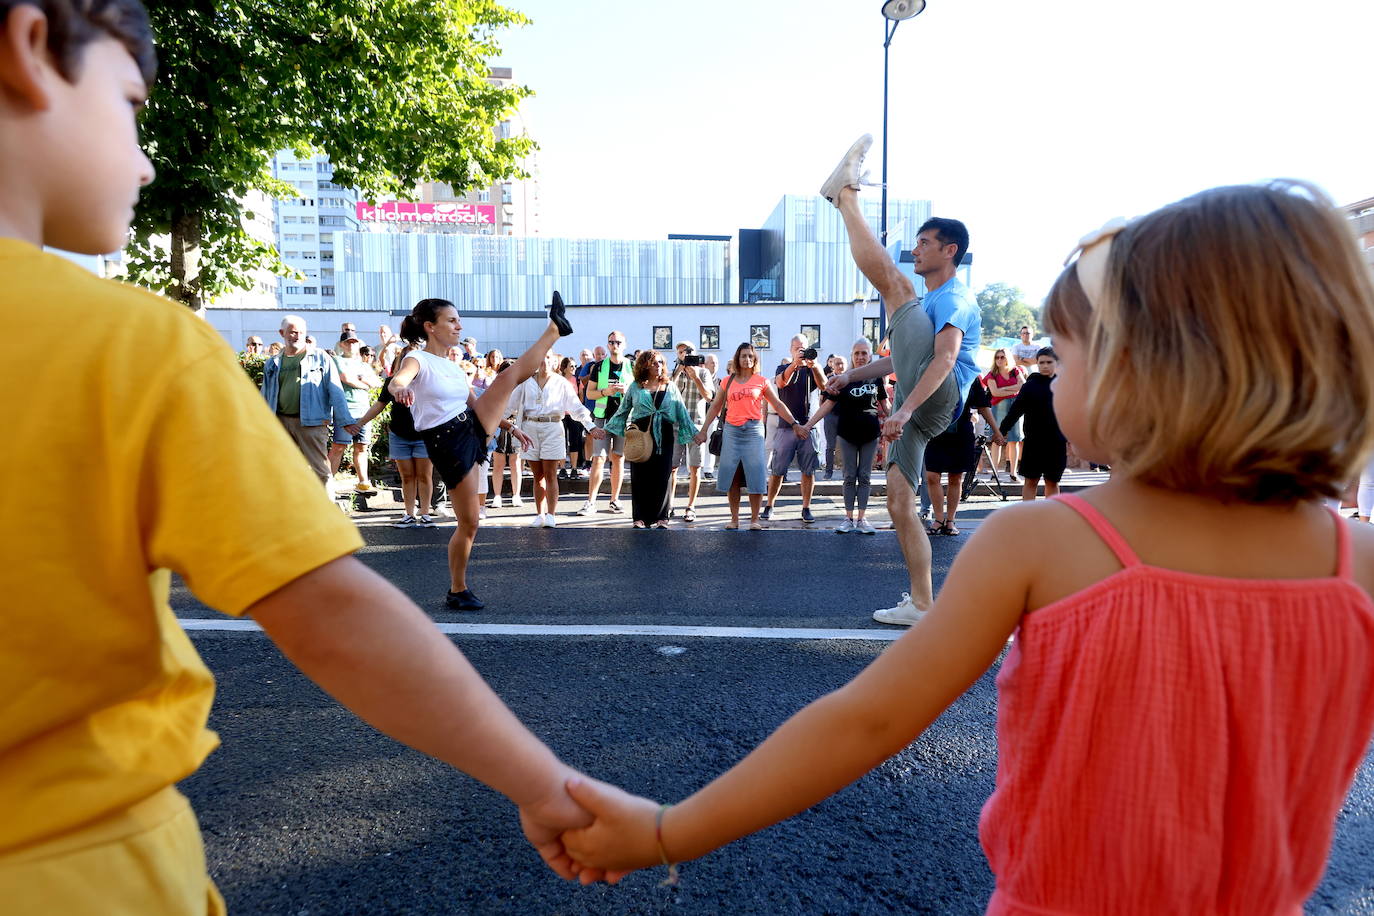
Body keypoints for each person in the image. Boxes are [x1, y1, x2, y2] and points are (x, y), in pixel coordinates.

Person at [557, 181, 1374, 915]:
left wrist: (669, 830)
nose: (1049, 374)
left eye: (1067, 350)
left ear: (1147, 366)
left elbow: (867, 720)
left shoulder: (1043, 540)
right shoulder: (1359, 568)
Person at [0, 7, 608, 911]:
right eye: (131, 103)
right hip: (79, 875)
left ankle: (458, 565)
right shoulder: (130, 345)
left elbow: (498, 382)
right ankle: (452, 571)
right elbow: (332, 613)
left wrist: (525, 363)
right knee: (461, 521)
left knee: (473, 516)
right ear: (31, 48)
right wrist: (542, 783)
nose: (145, 159)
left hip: (466, 433)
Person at [820, 135, 979, 626]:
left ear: (950, 250)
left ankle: (843, 196)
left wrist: (905, 409)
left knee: (895, 285)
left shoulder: (955, 298)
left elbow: (946, 359)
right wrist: (850, 376)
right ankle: (922, 604)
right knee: (898, 502)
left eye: (924, 242)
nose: (916, 248)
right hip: (921, 404)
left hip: (935, 398)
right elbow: (896, 364)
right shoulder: (926, 307)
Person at [389, 295, 570, 611]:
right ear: (430, 327)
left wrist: (511, 428)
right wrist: (399, 388)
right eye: (451, 320)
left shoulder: (453, 366)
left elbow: (474, 403)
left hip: (469, 427)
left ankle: (554, 330)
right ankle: (457, 590)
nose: (459, 326)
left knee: (507, 376)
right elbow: (399, 380)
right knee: (469, 522)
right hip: (446, 440)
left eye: (459, 320)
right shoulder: (416, 359)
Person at [694, 343, 806, 530]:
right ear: (737, 359)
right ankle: (734, 519)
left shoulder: (761, 381)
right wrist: (704, 430)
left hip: (753, 430)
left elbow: (777, 405)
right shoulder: (727, 381)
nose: (747, 359)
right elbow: (715, 406)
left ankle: (755, 519)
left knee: (756, 474)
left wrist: (794, 424)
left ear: (755, 360)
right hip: (732, 430)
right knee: (733, 475)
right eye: (743, 356)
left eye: (750, 356)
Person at [801, 339, 889, 534]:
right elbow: (827, 405)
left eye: (864, 353)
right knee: (849, 476)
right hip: (847, 434)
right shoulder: (843, 378)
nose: (860, 357)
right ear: (852, 356)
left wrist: (902, 418)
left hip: (870, 434)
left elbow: (886, 406)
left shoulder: (876, 379)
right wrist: (807, 425)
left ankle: (862, 518)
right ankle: (848, 518)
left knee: (865, 477)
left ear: (869, 356)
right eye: (857, 353)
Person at [261, 315, 357, 491]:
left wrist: (345, 420)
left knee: (321, 471)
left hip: (312, 422)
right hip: (280, 421)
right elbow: (265, 395)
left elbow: (335, 389)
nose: (296, 336)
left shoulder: (320, 357)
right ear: (282, 333)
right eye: (292, 332)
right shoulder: (272, 362)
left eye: (301, 332)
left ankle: (327, 513)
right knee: (283, 471)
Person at [509, 350, 603, 528]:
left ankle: (551, 515)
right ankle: (540, 514)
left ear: (554, 362)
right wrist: (496, 424)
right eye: (540, 357)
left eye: (548, 357)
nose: (544, 360)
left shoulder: (561, 382)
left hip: (553, 427)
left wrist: (591, 426)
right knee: (537, 476)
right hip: (530, 428)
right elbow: (509, 405)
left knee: (550, 473)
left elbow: (576, 407)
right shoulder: (525, 382)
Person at [605, 350, 699, 529]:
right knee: (641, 475)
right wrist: (605, 430)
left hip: (664, 431)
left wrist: (696, 434)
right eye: (655, 363)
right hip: (640, 432)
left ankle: (662, 517)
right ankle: (640, 517)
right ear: (644, 365)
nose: (659, 366)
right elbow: (623, 411)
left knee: (663, 474)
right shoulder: (636, 386)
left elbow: (682, 412)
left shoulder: (670, 386)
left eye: (661, 363)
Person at [351, 343, 437, 527]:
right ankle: (409, 513)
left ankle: (425, 514)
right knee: (407, 476)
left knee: (424, 475)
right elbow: (379, 405)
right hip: (399, 435)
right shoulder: (391, 382)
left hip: (424, 435)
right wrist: (360, 423)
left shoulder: (427, 381)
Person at [923, 377, 1002, 535]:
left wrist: (996, 430)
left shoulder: (970, 376)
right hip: (935, 431)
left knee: (956, 477)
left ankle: (950, 520)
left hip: (961, 432)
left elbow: (983, 406)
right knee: (931, 475)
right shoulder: (933, 370)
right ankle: (938, 520)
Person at [763, 334, 826, 524]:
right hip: (786, 426)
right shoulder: (783, 367)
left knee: (808, 470)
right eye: (797, 348)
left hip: (808, 426)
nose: (801, 351)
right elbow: (781, 382)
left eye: (804, 348)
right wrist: (795, 365)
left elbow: (824, 386)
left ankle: (806, 507)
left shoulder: (813, 368)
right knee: (777, 469)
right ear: (791, 349)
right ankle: (769, 505)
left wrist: (813, 366)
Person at [999, 347, 1067, 501]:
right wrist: (1001, 430)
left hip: (1056, 442)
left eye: (1049, 362)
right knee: (1031, 480)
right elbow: (1015, 411)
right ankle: (1027, 516)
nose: (1045, 365)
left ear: (1057, 363)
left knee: (1052, 481)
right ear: (1037, 363)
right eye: (1041, 362)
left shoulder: (1064, 385)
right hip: (1033, 442)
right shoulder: (1029, 386)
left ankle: (1050, 516)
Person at [579, 332, 631, 515]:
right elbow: (590, 394)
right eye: (611, 342)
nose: (614, 345)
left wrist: (627, 390)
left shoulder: (631, 366)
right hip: (602, 417)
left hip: (623, 418)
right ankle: (590, 501)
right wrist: (606, 391)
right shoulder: (599, 366)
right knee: (598, 458)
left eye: (618, 342)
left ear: (624, 344)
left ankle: (614, 500)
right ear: (608, 345)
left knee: (618, 458)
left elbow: (639, 392)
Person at [329, 329, 382, 493]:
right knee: (339, 447)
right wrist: (364, 382)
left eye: (354, 342)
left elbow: (377, 382)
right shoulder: (337, 360)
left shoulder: (364, 365)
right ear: (341, 344)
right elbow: (346, 378)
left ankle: (363, 482)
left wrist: (363, 380)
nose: (351, 345)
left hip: (364, 410)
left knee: (362, 447)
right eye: (348, 342)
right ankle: (327, 483)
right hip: (345, 409)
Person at [669, 340, 714, 523]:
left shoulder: (703, 372)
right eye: (681, 352)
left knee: (695, 468)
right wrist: (679, 369)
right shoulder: (674, 373)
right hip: (675, 424)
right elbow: (666, 390)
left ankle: (691, 506)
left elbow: (709, 397)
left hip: (695, 425)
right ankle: (669, 504)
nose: (685, 355)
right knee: (671, 468)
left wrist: (695, 377)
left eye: (688, 351)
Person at [983, 348, 1024, 481]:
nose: (999, 360)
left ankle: (1013, 473)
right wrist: (1013, 389)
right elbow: (995, 393)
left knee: (1015, 440)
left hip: (1016, 407)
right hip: (998, 407)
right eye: (997, 357)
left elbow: (1023, 385)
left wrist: (1004, 389)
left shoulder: (1015, 370)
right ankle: (995, 472)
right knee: (997, 440)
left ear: (1008, 358)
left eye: (1002, 357)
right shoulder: (992, 374)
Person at [558, 356, 587, 480]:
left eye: (575, 366)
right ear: (564, 368)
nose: (574, 368)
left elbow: (581, 396)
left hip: (574, 415)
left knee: (575, 441)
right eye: (571, 366)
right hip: (561, 415)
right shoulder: (558, 381)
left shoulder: (577, 381)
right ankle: (563, 468)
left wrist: (575, 408)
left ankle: (574, 468)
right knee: (561, 442)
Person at [821, 353, 847, 480]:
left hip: (846, 417)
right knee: (830, 446)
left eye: (842, 364)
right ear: (833, 366)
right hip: (831, 416)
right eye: (837, 364)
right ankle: (828, 471)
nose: (840, 366)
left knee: (847, 445)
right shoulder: (829, 380)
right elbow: (822, 398)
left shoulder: (850, 379)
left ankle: (847, 471)